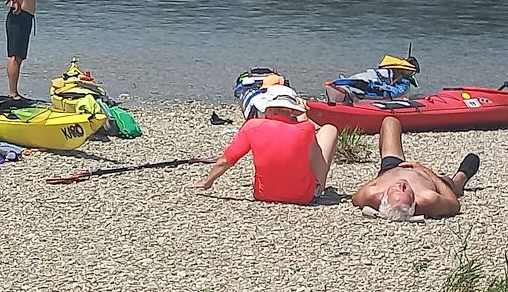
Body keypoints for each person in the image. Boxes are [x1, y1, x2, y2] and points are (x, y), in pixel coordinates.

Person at [193, 85, 340, 204]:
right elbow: (316, 141)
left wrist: (207, 181)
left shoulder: (252, 126)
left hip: (263, 195)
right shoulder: (305, 127)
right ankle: (317, 187)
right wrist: (302, 113)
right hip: (302, 197)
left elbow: (226, 161)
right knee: (329, 130)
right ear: (292, 110)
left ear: (268, 107)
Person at [351, 116, 479, 221]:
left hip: (393, 168)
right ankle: (460, 179)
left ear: (383, 196)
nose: (401, 185)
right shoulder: (427, 199)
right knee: (451, 184)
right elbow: (454, 205)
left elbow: (355, 198)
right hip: (425, 177)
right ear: (414, 201)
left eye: (396, 190)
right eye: (406, 191)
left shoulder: (372, 195)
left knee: (390, 122)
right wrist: (425, 171)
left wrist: (382, 177)